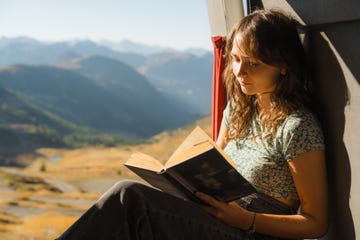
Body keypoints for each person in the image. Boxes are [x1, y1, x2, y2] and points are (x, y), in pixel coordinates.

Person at [57, 9, 328, 240]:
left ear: (283, 65)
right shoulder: (239, 109)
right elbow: (214, 165)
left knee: (129, 198)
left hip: (255, 232)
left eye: (253, 64)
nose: (239, 72)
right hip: (219, 219)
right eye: (235, 58)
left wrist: (246, 219)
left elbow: (316, 222)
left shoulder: (296, 127)